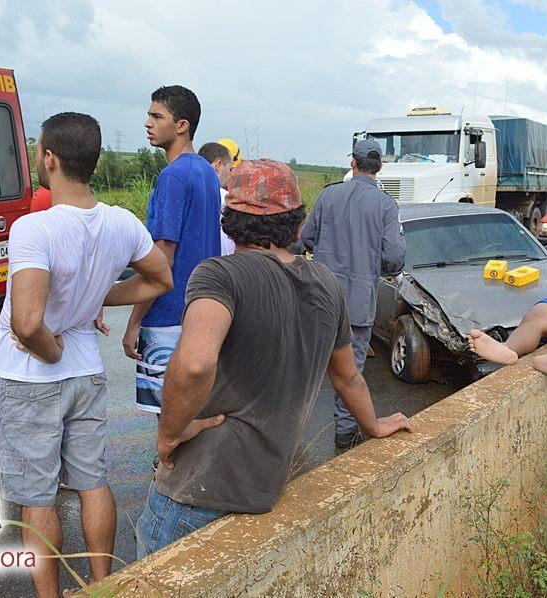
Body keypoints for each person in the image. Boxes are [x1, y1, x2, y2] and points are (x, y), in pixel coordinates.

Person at [136, 159, 412, 556]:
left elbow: (195, 364)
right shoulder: (326, 284)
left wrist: (169, 433)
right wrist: (373, 426)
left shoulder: (218, 275)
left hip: (195, 491)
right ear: (297, 226)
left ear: (228, 218)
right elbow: (347, 377)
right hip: (265, 489)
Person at [0, 112, 175, 597]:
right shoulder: (122, 222)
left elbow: (28, 323)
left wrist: (48, 349)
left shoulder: (34, 229)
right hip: (87, 372)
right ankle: (100, 586)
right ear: (92, 161)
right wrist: (96, 300)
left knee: (37, 496)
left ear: (49, 158)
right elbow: (160, 279)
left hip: (30, 378)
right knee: (93, 480)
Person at [299, 139, 406, 449]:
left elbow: (305, 239)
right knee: (350, 371)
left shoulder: (328, 194)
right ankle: (345, 436)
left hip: (319, 298)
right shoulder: (386, 204)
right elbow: (394, 259)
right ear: (380, 167)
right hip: (358, 305)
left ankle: (283, 435)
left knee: (305, 368)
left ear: (353, 164)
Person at [122, 86, 222, 417]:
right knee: (195, 411)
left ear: (181, 125)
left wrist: (134, 321)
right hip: (201, 311)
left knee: (170, 419)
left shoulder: (172, 177)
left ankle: (167, 469)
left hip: (167, 315)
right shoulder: (206, 172)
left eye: (156, 116)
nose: (147, 123)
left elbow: (162, 259)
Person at [197, 141, 236, 255]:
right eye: (230, 169)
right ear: (218, 165)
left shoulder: (186, 191)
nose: (231, 175)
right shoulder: (228, 199)